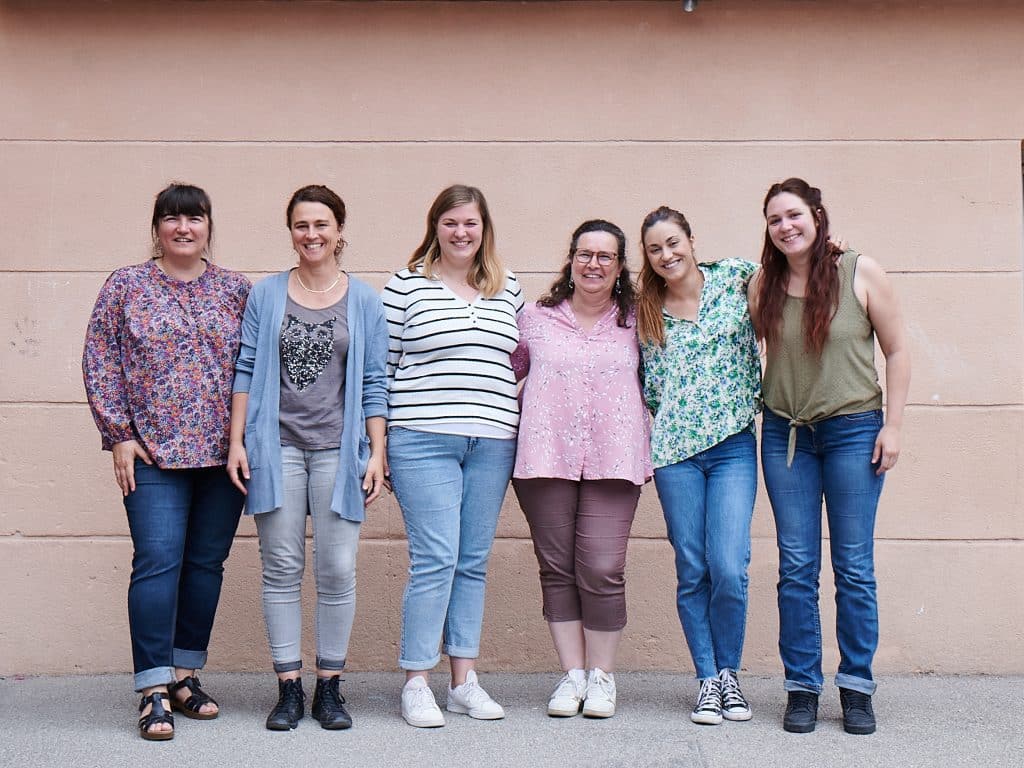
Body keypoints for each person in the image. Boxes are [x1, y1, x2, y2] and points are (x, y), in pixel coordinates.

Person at [83, 183, 250, 741]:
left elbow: (254, 371)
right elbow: (101, 357)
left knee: (206, 564)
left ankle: (184, 676)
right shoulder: (126, 285)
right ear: (156, 227)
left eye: (194, 218)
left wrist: (245, 441)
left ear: (208, 226)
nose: (183, 227)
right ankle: (152, 689)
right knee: (157, 560)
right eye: (172, 218)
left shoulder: (234, 289)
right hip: (152, 454)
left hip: (223, 456)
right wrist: (119, 435)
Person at [748, 178, 910, 736]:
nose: (786, 226)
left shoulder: (861, 272)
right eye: (775, 220)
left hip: (853, 432)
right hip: (785, 436)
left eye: (794, 215)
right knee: (795, 566)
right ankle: (801, 687)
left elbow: (897, 349)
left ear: (817, 215)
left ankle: (857, 687)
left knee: (854, 566)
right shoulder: (761, 284)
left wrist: (892, 427)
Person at [227, 185, 388, 731]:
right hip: (277, 450)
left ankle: (330, 687)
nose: (312, 234)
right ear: (290, 231)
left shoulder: (364, 300)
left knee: (337, 568)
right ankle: (289, 688)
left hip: (339, 453)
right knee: (281, 568)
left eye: (322, 224)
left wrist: (376, 453)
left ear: (340, 230)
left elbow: (373, 384)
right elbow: (245, 369)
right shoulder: (267, 294)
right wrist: (237, 443)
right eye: (301, 225)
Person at [382, 184, 523, 728]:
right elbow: (383, 369)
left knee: (472, 560)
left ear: (484, 228)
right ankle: (417, 681)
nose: (462, 232)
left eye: (471, 223)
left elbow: (516, 363)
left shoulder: (507, 287)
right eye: (451, 223)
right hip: (422, 436)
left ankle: (464, 681)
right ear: (435, 227)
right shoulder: (406, 286)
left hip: (492, 440)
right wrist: (381, 446)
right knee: (435, 557)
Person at [511, 220, 651, 719]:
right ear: (571, 260)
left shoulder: (640, 321)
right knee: (557, 568)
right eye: (585, 254)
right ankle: (572, 675)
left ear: (620, 267)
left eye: (605, 257)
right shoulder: (533, 318)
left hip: (616, 459)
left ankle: (602, 677)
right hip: (544, 458)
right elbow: (510, 372)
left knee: (603, 567)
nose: (594, 264)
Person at [636, 206, 761, 726]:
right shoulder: (644, 309)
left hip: (733, 445)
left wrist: (833, 246)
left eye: (673, 242)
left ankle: (730, 673)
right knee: (693, 569)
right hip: (675, 455)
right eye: (655, 249)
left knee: (729, 566)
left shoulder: (735, 276)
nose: (667, 255)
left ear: (691, 239)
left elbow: (793, 279)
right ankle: (708, 680)